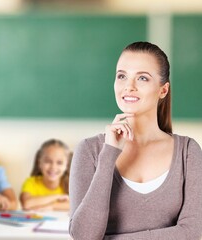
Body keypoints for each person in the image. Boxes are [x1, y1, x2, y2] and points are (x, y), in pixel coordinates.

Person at [69, 41, 202, 239]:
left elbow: (193, 232)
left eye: (142, 78)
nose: (128, 87)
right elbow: (83, 235)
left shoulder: (188, 151)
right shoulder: (90, 150)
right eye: (122, 76)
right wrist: (109, 154)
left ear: (163, 90)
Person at [20, 139, 71, 211]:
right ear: (39, 162)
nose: (53, 167)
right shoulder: (31, 182)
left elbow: (78, 205)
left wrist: (52, 206)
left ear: (67, 165)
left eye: (59, 163)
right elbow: (27, 204)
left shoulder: (70, 184)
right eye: (48, 161)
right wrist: (58, 197)